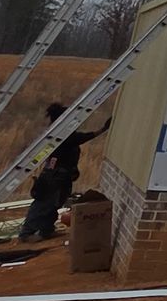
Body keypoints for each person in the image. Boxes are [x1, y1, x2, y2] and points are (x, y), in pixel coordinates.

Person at [19, 103, 110, 241]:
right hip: (53, 176)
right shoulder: (60, 135)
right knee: (43, 204)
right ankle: (26, 234)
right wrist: (102, 129)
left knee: (54, 204)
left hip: (60, 175)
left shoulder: (63, 134)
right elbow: (79, 139)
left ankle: (46, 230)